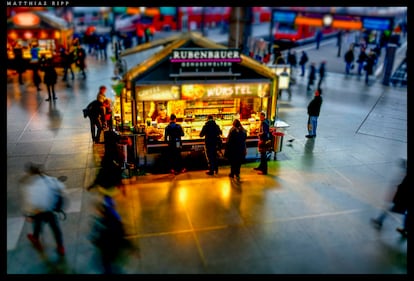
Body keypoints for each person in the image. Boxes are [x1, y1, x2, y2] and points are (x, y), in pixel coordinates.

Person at [20, 162, 66, 256]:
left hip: (38, 211)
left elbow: (29, 203)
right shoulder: (49, 179)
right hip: (51, 210)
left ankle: (35, 238)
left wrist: (28, 215)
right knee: (55, 228)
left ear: (30, 173)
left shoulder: (29, 186)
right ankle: (60, 246)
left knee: (37, 224)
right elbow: (61, 188)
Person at [89, 195, 130, 274]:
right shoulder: (116, 221)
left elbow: (94, 238)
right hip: (115, 249)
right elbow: (122, 234)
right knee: (116, 266)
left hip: (106, 250)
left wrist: (97, 242)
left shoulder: (98, 223)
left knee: (107, 266)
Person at [371, 173, 409, 238]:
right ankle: (405, 230)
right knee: (406, 214)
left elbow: (403, 187)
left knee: (391, 209)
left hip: (403, 199)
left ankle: (379, 220)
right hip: (404, 199)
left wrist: (396, 197)